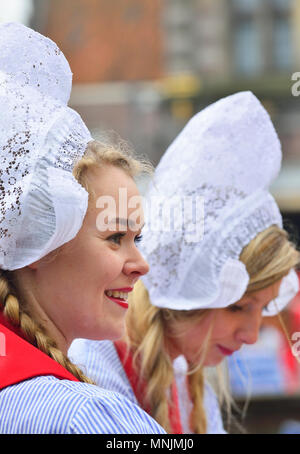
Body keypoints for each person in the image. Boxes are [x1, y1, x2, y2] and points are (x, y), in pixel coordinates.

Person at [69, 91, 300, 434]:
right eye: (238, 307)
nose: (251, 336)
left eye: (263, 309)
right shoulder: (95, 372)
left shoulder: (188, 378)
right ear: (187, 290)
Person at [0, 22, 166, 435]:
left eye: (137, 239)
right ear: (38, 243)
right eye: (115, 238)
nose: (140, 265)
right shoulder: (85, 417)